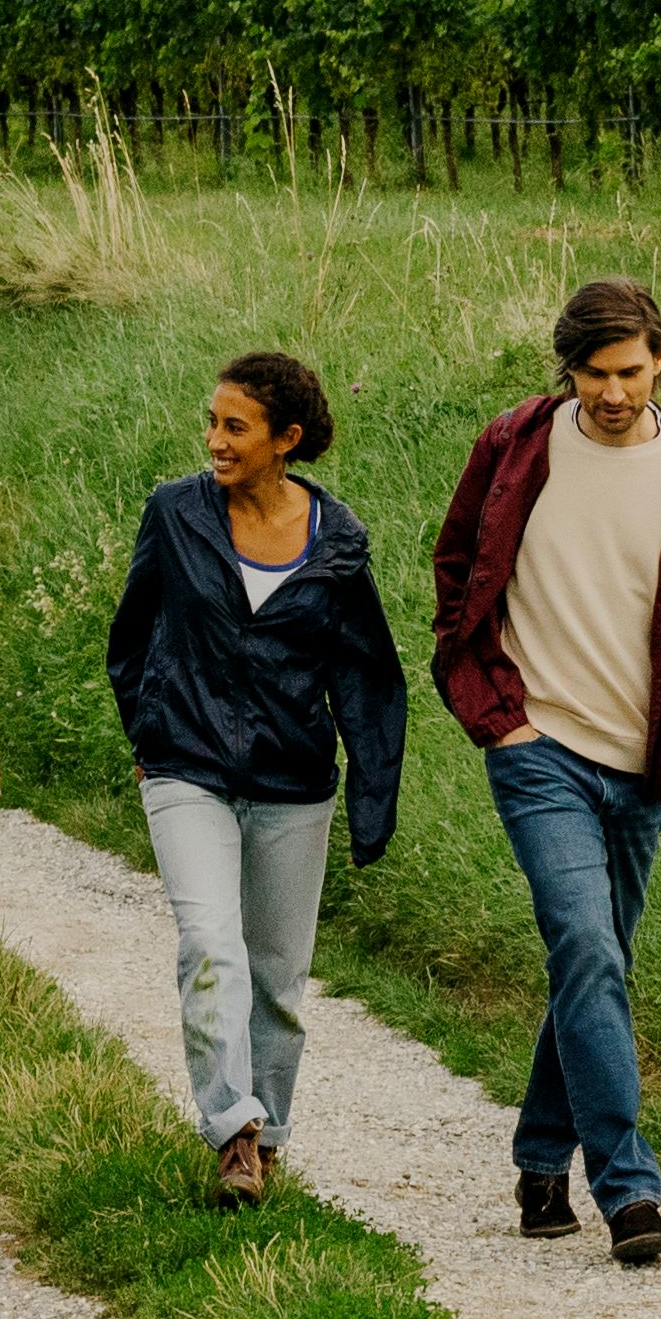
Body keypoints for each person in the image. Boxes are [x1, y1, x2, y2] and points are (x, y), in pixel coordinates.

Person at [423, 276, 661, 1271]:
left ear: (660, 357)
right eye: (592, 371)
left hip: (644, 760)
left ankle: (538, 1155)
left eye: (629, 369)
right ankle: (628, 1186)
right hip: (538, 749)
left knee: (592, 961)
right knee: (586, 943)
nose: (612, 391)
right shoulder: (514, 443)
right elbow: (455, 572)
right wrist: (493, 713)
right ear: (564, 365)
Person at [100, 344, 406, 1203]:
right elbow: (131, 638)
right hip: (186, 769)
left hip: (292, 781)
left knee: (278, 977)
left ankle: (266, 1139)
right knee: (209, 945)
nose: (215, 439)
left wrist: (372, 804)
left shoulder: (337, 541)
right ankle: (231, 1123)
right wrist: (148, 732)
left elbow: (367, 677)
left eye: (235, 426)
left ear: (287, 439)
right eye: (212, 421)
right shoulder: (176, 513)